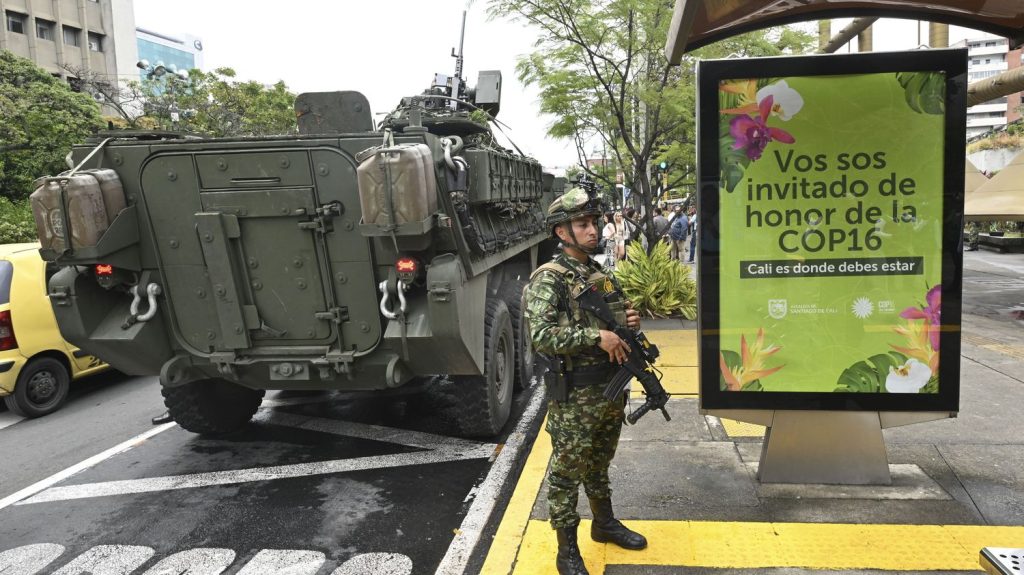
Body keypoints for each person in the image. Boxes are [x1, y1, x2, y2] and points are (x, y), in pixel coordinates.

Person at [524, 188, 647, 575]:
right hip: (575, 394)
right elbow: (539, 336)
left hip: (609, 389)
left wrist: (629, 323)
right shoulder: (550, 279)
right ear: (562, 233)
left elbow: (618, 314)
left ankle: (604, 524)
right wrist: (595, 338)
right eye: (583, 224)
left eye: (593, 223)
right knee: (566, 472)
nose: (593, 230)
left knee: (599, 461)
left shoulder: (599, 274)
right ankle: (566, 550)